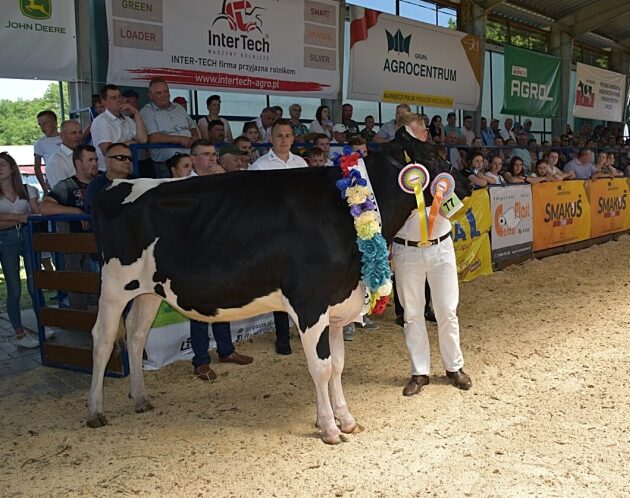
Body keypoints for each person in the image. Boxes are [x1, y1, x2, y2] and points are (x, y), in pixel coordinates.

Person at [389, 113, 472, 396]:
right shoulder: (391, 170)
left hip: (440, 246)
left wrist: (444, 197)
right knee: (412, 313)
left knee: (447, 309)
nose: (420, 136)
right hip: (406, 249)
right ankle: (419, 371)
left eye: (420, 132)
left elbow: (455, 203)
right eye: (412, 133)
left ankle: (454, 367)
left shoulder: (437, 164)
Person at [188, 140, 254, 380]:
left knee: (222, 304)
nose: (211, 159)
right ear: (193, 159)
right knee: (199, 308)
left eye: (213, 154)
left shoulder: (222, 180)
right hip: (195, 253)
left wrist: (223, 181)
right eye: (204, 155)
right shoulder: (184, 185)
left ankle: (226, 350)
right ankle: (200, 360)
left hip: (220, 250)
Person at [250, 118, 312, 354]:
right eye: (279, 135)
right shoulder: (260, 166)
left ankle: (303, 328)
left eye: (288, 135)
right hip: (275, 233)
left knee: (301, 283)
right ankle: (282, 337)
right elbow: (256, 203)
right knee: (280, 285)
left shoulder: (301, 163)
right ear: (270, 137)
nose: (284, 140)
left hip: (300, 232)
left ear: (293, 138)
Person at [40, 144, 99, 309]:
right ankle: (81, 325)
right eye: (90, 160)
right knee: (79, 290)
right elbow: (45, 207)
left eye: (96, 159)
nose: (95, 163)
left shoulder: (104, 181)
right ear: (78, 163)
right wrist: (75, 211)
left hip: (103, 246)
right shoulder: (67, 185)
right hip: (77, 249)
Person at [0, 152, 41, 348]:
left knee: (35, 285)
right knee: (14, 287)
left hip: (27, 236)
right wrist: (17, 217)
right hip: (6, 239)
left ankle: (42, 326)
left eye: (3, 164)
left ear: (12, 168)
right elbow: (26, 216)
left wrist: (6, 217)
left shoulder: (27, 189)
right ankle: (19, 333)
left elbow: (35, 215)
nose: (0, 168)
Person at [140, 78, 199, 178]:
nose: (163, 95)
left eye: (165, 91)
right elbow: (153, 137)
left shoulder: (179, 108)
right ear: (150, 96)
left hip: (190, 159)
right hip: (167, 164)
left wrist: (194, 137)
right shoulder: (147, 112)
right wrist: (179, 139)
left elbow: (192, 126)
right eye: (159, 93)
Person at [91, 84, 148, 173]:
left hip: (127, 171)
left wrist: (136, 113)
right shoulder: (100, 121)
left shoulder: (127, 120)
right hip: (108, 173)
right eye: (113, 98)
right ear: (104, 102)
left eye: (119, 97)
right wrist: (128, 143)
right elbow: (107, 151)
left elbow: (143, 139)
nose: (118, 101)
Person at [85, 143, 134, 213]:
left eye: (130, 158)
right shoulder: (95, 186)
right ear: (107, 160)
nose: (127, 161)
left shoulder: (137, 183)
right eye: (121, 158)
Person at [45, 120, 83, 189]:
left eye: (80, 132)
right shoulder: (56, 161)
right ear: (62, 135)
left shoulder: (84, 154)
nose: (78, 136)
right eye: (73, 133)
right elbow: (62, 192)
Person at [33, 110, 62, 192]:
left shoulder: (66, 138)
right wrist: (44, 187)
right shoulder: (39, 143)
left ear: (55, 123)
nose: (42, 127)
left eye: (45, 123)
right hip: (53, 182)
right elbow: (37, 167)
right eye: (40, 125)